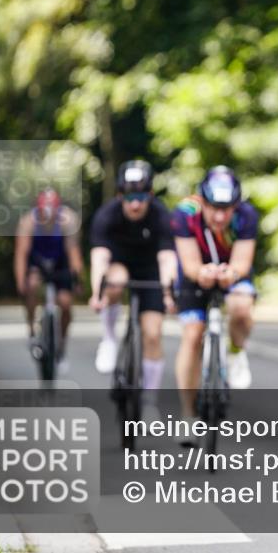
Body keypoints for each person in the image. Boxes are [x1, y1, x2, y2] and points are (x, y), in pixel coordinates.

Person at [171, 166, 259, 439]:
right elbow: (189, 265)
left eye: (227, 208)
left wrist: (229, 274)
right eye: (214, 208)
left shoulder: (246, 215)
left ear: (236, 205)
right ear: (202, 202)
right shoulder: (184, 214)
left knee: (241, 308)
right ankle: (188, 414)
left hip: (231, 271)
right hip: (195, 273)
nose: (220, 216)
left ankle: (235, 351)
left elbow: (242, 262)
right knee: (193, 334)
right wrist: (203, 273)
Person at [89, 161, 177, 409]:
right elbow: (99, 258)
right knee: (115, 281)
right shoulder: (107, 215)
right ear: (120, 196)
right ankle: (108, 338)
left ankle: (149, 400)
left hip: (150, 269)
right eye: (129, 197)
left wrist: (169, 293)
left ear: (150, 195)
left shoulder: (161, 215)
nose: (135, 204)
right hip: (119, 263)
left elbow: (167, 258)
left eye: (141, 197)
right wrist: (97, 293)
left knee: (152, 334)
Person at [13, 189, 84, 372]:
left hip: (60, 263)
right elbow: (21, 254)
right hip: (37, 262)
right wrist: (21, 281)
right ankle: (31, 329)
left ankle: (61, 346)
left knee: (66, 304)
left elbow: (73, 253)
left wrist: (77, 279)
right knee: (32, 286)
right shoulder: (28, 222)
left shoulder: (69, 220)